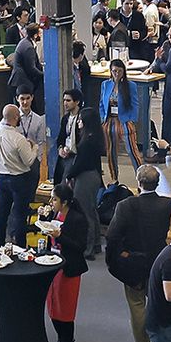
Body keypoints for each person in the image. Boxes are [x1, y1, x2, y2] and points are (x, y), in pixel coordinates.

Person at [105, 167, 171, 342]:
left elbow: (112, 235)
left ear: (138, 182)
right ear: (158, 182)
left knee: (137, 305)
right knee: (158, 303)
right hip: (158, 261)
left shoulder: (125, 205)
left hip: (133, 262)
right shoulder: (167, 204)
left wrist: (120, 254)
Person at [55, 87, 107, 256]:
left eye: (81, 121)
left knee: (86, 211)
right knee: (90, 209)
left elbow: (81, 162)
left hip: (86, 176)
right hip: (88, 174)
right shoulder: (91, 137)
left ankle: (89, 247)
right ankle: (96, 244)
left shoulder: (87, 141)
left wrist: (70, 175)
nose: (78, 123)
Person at [44, 183, 90, 342]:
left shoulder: (78, 219)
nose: (51, 202)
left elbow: (80, 246)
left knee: (65, 310)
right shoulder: (55, 214)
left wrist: (59, 237)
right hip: (53, 266)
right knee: (53, 306)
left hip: (69, 269)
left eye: (54, 199)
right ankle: (61, 340)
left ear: (64, 202)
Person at [0, 103, 43, 248]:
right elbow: (29, 161)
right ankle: (21, 248)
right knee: (20, 215)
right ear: (16, 117)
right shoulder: (18, 139)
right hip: (19, 179)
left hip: (1, 177)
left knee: (2, 214)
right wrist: (34, 147)